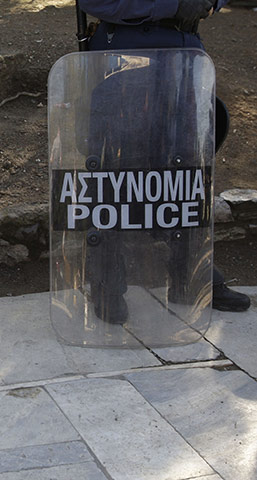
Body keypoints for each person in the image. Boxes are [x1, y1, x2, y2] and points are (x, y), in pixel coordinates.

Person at [78, 0, 251, 320]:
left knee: (187, 171)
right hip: (124, 53)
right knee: (117, 175)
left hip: (186, 52)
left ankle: (191, 276)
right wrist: (174, 5)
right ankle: (106, 282)